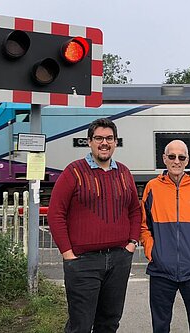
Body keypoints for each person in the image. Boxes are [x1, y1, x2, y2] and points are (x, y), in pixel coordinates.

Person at [48, 118, 142, 333]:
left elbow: (135, 210)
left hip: (119, 259)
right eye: (98, 138)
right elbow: (56, 213)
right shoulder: (73, 172)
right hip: (83, 262)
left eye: (109, 138)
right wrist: (67, 253)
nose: (104, 143)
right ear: (89, 142)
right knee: (80, 325)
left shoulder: (125, 173)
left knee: (109, 323)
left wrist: (131, 243)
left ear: (115, 142)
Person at [140, 139, 190, 333]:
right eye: (172, 156)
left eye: (181, 157)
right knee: (160, 327)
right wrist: (153, 252)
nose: (177, 161)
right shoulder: (152, 187)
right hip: (161, 271)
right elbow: (143, 226)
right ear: (164, 159)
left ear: (187, 160)